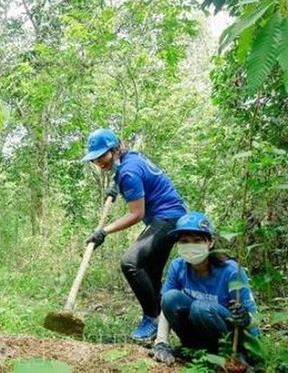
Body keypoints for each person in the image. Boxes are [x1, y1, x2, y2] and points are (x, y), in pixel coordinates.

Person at [82, 129, 187, 343]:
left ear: (115, 149)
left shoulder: (129, 172)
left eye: (103, 155)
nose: (99, 161)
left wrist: (104, 231)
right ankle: (162, 327)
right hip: (172, 216)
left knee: (131, 262)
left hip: (168, 219)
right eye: (95, 158)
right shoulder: (130, 159)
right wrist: (114, 185)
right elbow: (126, 172)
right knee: (150, 271)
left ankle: (152, 318)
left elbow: (136, 214)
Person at [150, 212, 260, 365]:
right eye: (185, 241)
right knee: (170, 298)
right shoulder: (178, 266)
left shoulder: (231, 271)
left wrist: (246, 319)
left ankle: (230, 356)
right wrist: (161, 342)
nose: (191, 245)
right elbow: (166, 306)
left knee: (200, 308)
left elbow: (253, 317)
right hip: (200, 333)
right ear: (178, 244)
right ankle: (194, 350)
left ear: (210, 242)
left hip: (230, 338)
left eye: (197, 240)